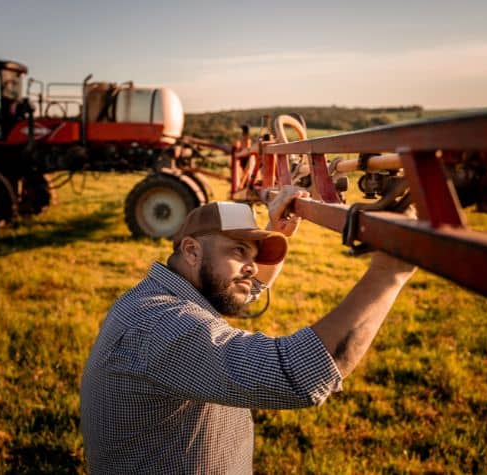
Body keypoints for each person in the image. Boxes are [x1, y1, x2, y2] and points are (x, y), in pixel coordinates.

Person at [80, 186, 416, 473]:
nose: (252, 266)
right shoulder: (162, 326)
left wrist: (277, 230)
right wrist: (389, 272)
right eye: (239, 251)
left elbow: (239, 289)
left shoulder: (163, 295)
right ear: (192, 251)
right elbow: (295, 375)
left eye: (253, 255)